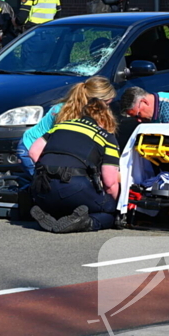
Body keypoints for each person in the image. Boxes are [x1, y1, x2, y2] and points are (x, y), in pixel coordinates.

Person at [27, 88, 121, 233]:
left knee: (63, 203)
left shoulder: (60, 126)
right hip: (75, 187)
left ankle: (50, 214)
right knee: (109, 212)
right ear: (106, 118)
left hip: (42, 188)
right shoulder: (106, 137)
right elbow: (110, 183)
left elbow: (33, 152)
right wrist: (114, 203)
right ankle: (84, 223)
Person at [18, 76, 116, 177]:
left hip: (42, 148)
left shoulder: (81, 110)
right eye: (107, 104)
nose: (107, 108)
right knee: (44, 181)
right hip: (31, 148)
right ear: (96, 102)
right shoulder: (64, 112)